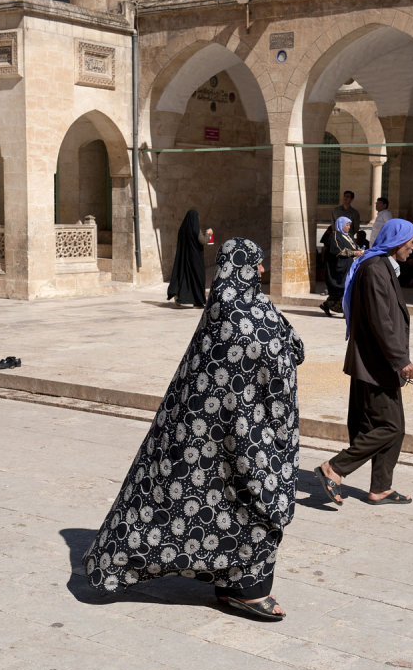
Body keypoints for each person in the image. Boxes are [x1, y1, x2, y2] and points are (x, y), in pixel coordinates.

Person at [84, 237, 305, 621]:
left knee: (213, 504)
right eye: (258, 263)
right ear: (246, 267)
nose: (264, 270)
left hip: (209, 435)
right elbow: (282, 356)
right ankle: (247, 591)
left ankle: (225, 581)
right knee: (251, 506)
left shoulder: (225, 310)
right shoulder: (246, 316)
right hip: (243, 435)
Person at [314, 218, 413, 506]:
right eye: (410, 240)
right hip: (376, 364)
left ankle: (381, 488)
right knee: (391, 427)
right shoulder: (374, 269)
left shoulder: (380, 265)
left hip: (377, 362)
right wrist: (401, 360)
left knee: (385, 427)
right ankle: (333, 468)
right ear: (398, 241)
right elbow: (380, 321)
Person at [167, 209, 213, 308]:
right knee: (197, 278)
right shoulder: (195, 229)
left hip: (184, 259)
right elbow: (203, 241)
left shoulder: (182, 229)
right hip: (195, 259)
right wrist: (209, 233)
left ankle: (178, 294)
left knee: (185, 278)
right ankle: (197, 302)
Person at [320, 216, 362, 317]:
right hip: (340, 268)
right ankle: (345, 310)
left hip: (349, 267)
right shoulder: (335, 236)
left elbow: (355, 246)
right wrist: (354, 253)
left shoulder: (349, 236)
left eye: (349, 225)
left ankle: (328, 305)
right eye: (347, 225)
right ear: (341, 225)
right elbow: (339, 251)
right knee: (343, 290)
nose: (348, 227)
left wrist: (360, 250)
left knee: (348, 289)